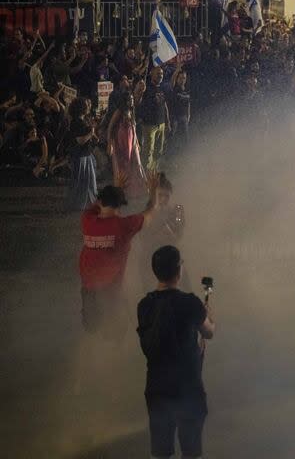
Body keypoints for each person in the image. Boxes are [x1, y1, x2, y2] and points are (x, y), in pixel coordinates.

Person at [137, 245, 214, 459]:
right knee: (190, 451)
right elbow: (209, 333)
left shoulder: (144, 305)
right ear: (179, 271)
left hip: (157, 388)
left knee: (161, 453)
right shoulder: (191, 303)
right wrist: (208, 315)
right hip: (188, 388)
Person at [79, 178, 158, 338]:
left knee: (92, 329)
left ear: (101, 201)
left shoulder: (87, 220)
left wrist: (116, 188)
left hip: (89, 289)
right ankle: (112, 356)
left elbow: (96, 205)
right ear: (120, 205)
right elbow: (150, 212)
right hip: (111, 291)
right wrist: (153, 192)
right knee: (115, 332)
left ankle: (94, 356)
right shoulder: (124, 226)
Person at [108, 92, 146, 200]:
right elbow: (111, 126)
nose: (132, 101)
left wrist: (137, 142)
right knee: (121, 167)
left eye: (132, 99)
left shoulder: (132, 111)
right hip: (121, 141)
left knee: (136, 164)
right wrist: (110, 143)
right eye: (130, 99)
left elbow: (133, 128)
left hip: (131, 141)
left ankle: (138, 189)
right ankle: (120, 191)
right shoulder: (119, 111)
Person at [135, 67, 170, 171]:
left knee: (159, 150)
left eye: (162, 73)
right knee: (148, 151)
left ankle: (154, 171)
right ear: (151, 74)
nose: (160, 75)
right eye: (158, 73)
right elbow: (137, 102)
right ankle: (146, 173)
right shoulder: (146, 87)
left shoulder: (162, 87)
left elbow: (164, 105)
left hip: (161, 123)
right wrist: (140, 92)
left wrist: (167, 121)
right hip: (149, 125)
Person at [67, 97, 98, 210]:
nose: (88, 106)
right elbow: (80, 140)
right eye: (86, 105)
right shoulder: (76, 122)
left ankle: (87, 203)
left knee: (88, 182)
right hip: (80, 156)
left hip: (86, 155)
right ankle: (78, 204)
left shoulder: (83, 121)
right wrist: (91, 133)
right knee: (81, 182)